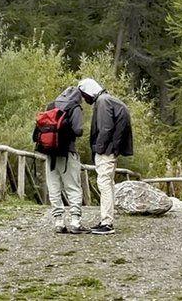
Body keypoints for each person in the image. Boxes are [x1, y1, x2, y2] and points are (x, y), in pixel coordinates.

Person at [77, 78, 133, 235]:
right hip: (112, 150)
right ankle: (106, 220)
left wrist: (99, 149)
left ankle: (107, 223)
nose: (84, 99)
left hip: (106, 152)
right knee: (108, 183)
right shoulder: (109, 99)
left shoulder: (102, 102)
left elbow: (105, 128)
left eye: (84, 95)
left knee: (104, 184)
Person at [40, 86, 89, 234]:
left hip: (50, 153)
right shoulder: (75, 108)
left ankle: (58, 221)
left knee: (54, 186)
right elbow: (78, 131)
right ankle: (75, 221)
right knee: (73, 186)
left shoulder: (51, 105)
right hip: (68, 152)